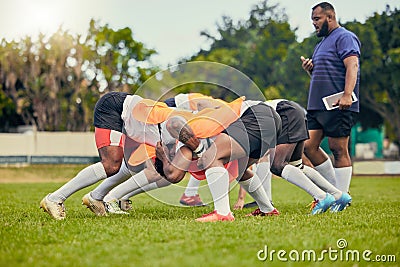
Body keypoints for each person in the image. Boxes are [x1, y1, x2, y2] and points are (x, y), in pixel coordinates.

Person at [39, 92, 204, 220]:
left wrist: (167, 157)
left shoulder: (175, 144)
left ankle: (96, 198)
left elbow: (169, 174)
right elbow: (176, 123)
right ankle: (54, 198)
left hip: (133, 127)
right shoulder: (189, 127)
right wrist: (200, 150)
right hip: (115, 108)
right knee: (110, 165)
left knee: (131, 166)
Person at [156, 100, 282, 222]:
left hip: (256, 114)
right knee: (240, 171)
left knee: (210, 159)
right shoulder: (188, 147)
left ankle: (222, 213)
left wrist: (200, 153)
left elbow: (174, 124)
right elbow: (173, 175)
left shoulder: (180, 140)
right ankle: (268, 209)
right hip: (269, 119)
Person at [233, 99, 352, 214]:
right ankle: (338, 195)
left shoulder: (229, 119)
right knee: (297, 166)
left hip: (285, 113)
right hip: (292, 111)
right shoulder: (234, 110)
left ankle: (321, 197)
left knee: (277, 166)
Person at [301, 2, 361, 194]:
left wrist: (346, 95)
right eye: (312, 20)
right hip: (317, 105)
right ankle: (336, 192)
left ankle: (341, 197)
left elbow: (352, 66)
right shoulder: (320, 44)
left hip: (338, 104)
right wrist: (311, 70)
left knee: (338, 148)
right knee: (308, 147)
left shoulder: (345, 37)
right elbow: (325, 74)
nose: (314, 24)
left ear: (330, 17)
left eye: (317, 19)